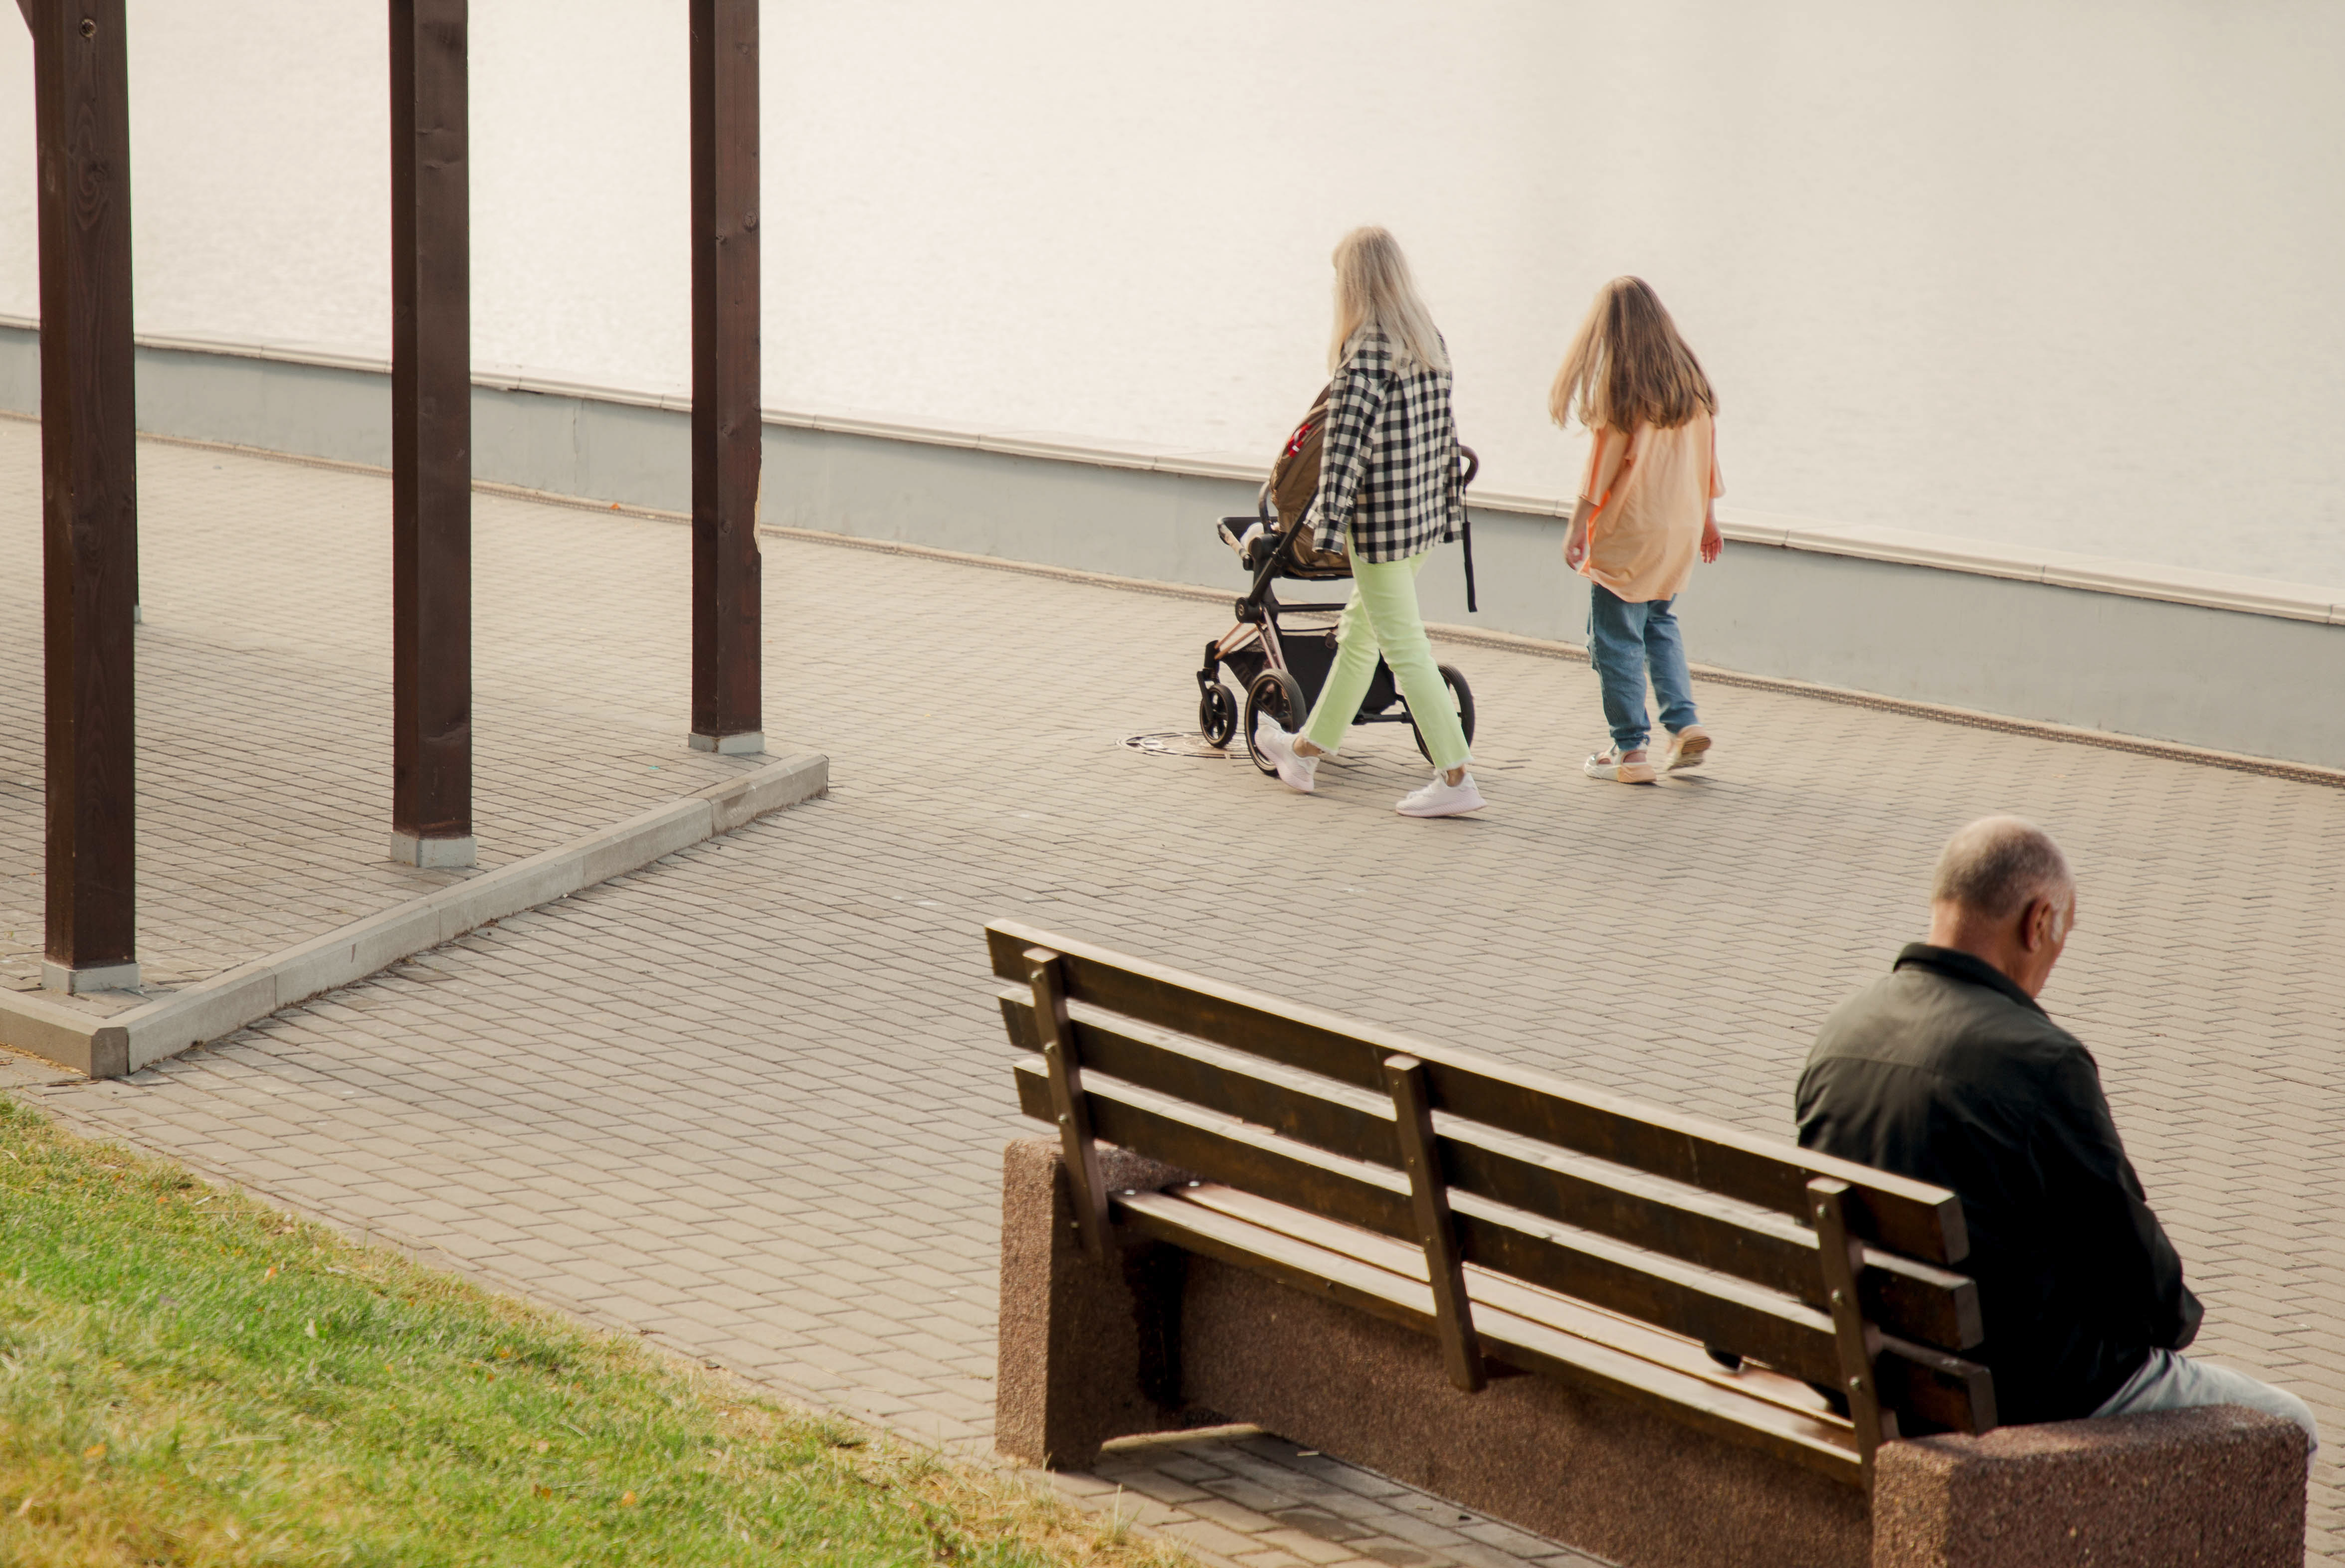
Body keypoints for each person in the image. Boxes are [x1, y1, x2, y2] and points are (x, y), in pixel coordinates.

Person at [1796, 816, 2319, 1456]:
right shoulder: (2041, 1061)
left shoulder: (1844, 1030)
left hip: (1870, 1363)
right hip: (2016, 1390)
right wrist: (2174, 1321)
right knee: (2290, 1425)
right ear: (2038, 920)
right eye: (2063, 931)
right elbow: (2134, 1276)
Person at [1253, 227, 1485, 819]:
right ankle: (1304, 753)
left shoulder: (1365, 351)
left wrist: (1324, 535)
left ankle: (1455, 775)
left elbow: (1343, 455)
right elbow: (1443, 438)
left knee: (1405, 649)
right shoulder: (1426, 339)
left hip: (1380, 529)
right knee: (1360, 637)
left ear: (1352, 284)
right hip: (1421, 523)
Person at [1550, 277, 1723, 785]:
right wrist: (1709, 522)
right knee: (1659, 625)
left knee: (1615, 640)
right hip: (1679, 527)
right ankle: (1683, 723)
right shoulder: (1690, 385)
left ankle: (1630, 752)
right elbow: (1706, 461)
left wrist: (1576, 529)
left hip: (1630, 529)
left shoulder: (1624, 391)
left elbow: (1599, 472)